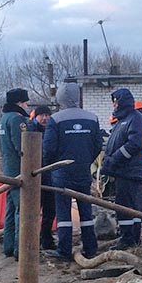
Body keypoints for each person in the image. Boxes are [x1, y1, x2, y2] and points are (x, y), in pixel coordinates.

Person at [42, 83, 102, 261]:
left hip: (61, 173)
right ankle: (91, 248)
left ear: (60, 98)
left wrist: (52, 166)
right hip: (83, 171)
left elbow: (48, 148)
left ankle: (64, 250)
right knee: (86, 209)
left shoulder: (56, 120)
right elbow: (98, 145)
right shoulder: (92, 118)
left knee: (63, 213)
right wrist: (86, 161)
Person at [101, 88, 142, 248]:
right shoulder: (122, 120)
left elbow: (135, 143)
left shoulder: (135, 119)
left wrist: (115, 158)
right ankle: (130, 236)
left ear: (122, 101)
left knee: (127, 207)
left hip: (130, 172)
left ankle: (129, 238)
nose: (114, 104)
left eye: (116, 101)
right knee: (126, 206)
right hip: (123, 172)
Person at [0, 87, 31, 258]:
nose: (27, 106)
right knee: (22, 208)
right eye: (26, 102)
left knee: (10, 209)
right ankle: (21, 249)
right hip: (19, 169)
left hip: (7, 168)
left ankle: (8, 246)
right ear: (19, 103)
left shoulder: (3, 119)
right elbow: (23, 146)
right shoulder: (18, 120)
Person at [27, 104, 55, 250]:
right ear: (35, 116)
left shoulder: (52, 130)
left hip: (49, 178)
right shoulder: (29, 129)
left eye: (47, 115)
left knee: (50, 211)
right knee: (33, 211)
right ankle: (31, 240)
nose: (45, 118)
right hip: (33, 178)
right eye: (42, 115)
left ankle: (46, 239)